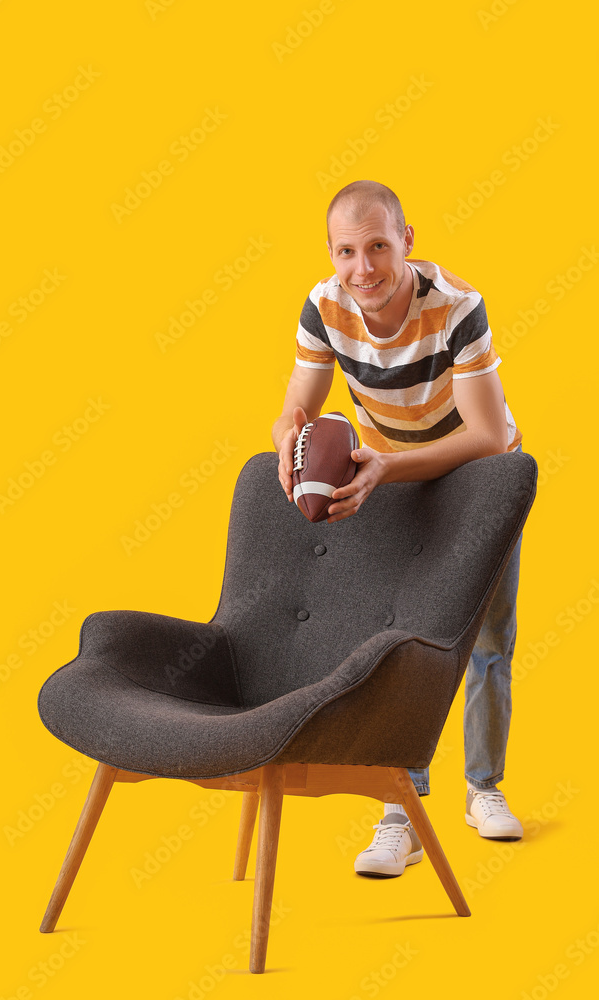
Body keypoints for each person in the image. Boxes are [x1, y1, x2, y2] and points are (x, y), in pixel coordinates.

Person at [272, 179, 524, 878]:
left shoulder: (457, 307)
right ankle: (399, 813)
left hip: (478, 475)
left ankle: (483, 790)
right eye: (346, 251)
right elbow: (299, 405)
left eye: (377, 245)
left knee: (487, 642)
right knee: (395, 645)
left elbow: (486, 434)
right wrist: (287, 437)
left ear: (406, 241)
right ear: (331, 254)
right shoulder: (322, 306)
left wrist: (385, 465)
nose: (364, 268)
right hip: (386, 470)